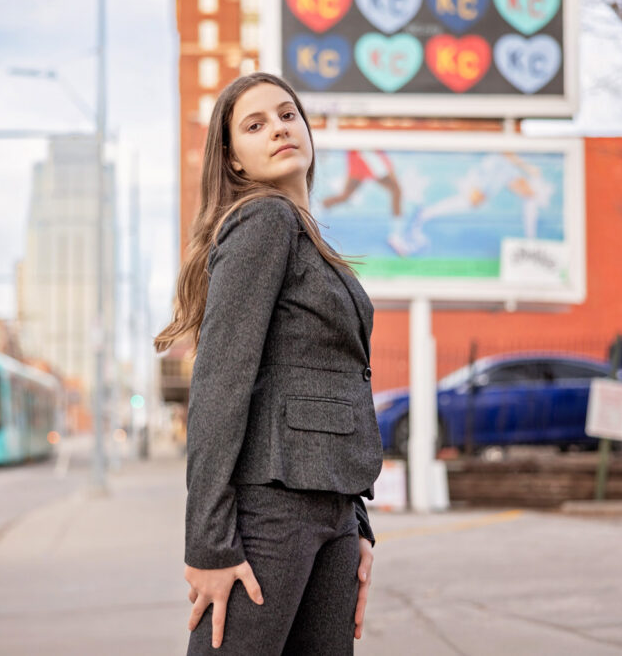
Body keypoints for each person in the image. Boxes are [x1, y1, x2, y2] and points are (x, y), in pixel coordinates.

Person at [155, 72, 383, 655]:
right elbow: (220, 383)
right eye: (255, 125)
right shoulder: (265, 221)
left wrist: (353, 520)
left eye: (287, 115)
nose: (279, 128)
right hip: (271, 508)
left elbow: (323, 381)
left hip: (330, 512)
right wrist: (209, 545)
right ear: (233, 160)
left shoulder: (307, 236)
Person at [388, 151, 554, 257]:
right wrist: (526, 166)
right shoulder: (494, 163)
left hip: (498, 168)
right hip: (491, 168)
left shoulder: (503, 167)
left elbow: (507, 153)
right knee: (472, 201)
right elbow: (505, 151)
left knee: (528, 195)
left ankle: (532, 243)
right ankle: (418, 221)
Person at [322, 149, 403, 216]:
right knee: (396, 191)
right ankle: (398, 224)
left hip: (365, 159)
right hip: (366, 158)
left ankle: (321, 205)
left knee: (345, 196)